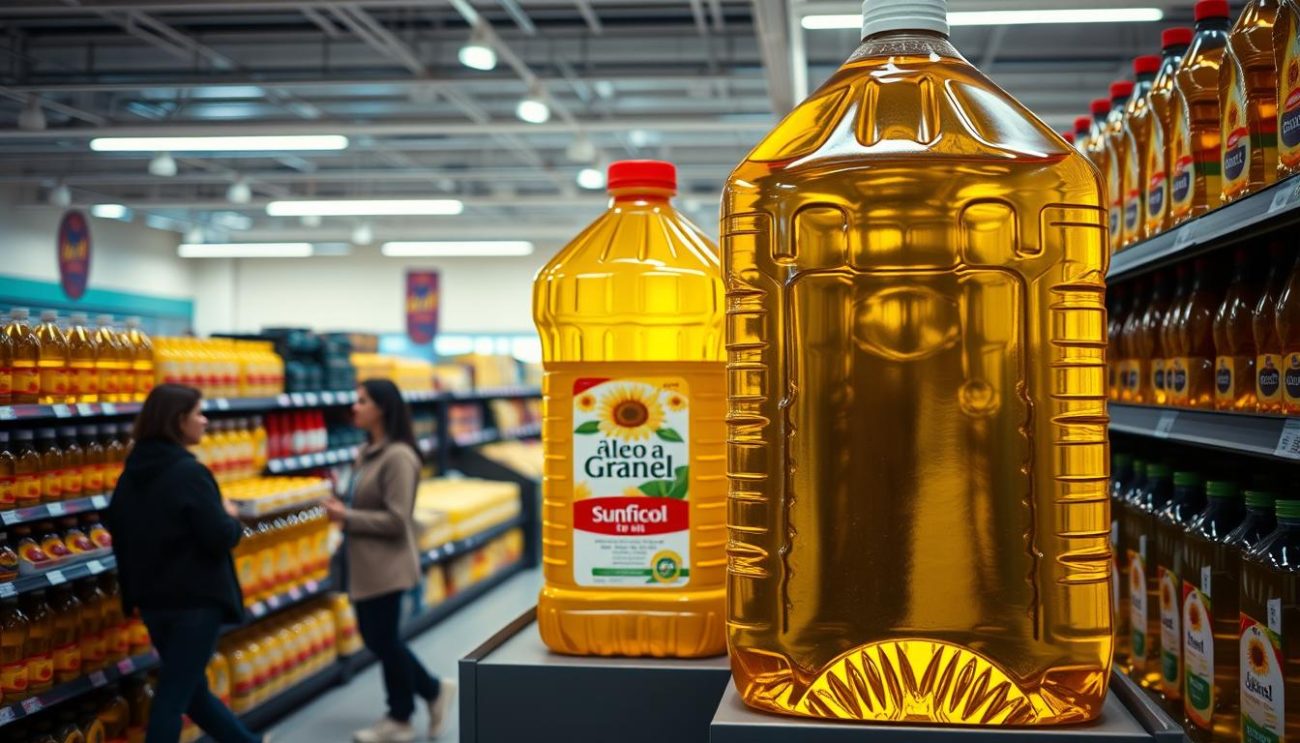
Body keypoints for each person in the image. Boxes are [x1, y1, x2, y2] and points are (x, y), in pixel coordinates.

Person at [105, 384, 262, 743]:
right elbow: (219, 536)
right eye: (199, 414)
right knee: (173, 697)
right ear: (179, 421)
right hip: (194, 603)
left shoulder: (131, 474)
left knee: (192, 692)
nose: (205, 422)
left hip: (153, 602)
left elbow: (119, 528)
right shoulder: (188, 473)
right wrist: (231, 516)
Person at [324, 379, 454, 743]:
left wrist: (345, 517)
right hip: (363, 564)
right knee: (380, 639)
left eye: (362, 401)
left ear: (382, 408)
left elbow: (398, 520)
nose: (355, 407)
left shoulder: (399, 456)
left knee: (383, 640)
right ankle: (424, 697)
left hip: (387, 566)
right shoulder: (367, 452)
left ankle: (404, 713)